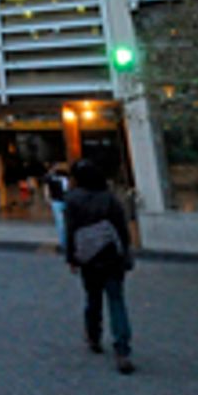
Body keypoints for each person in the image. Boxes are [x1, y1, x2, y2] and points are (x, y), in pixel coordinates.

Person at [64, 158, 135, 374]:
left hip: (89, 258)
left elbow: (71, 231)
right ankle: (122, 349)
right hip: (112, 257)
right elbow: (122, 230)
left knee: (92, 297)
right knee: (116, 301)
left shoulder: (73, 200)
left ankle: (93, 335)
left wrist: (72, 257)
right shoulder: (110, 199)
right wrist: (126, 252)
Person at [44, 163, 70, 250]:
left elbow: (46, 189)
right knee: (62, 224)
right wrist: (48, 198)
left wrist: (48, 198)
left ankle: (65, 243)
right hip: (59, 201)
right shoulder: (52, 177)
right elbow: (47, 188)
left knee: (62, 224)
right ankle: (64, 244)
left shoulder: (67, 176)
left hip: (61, 201)